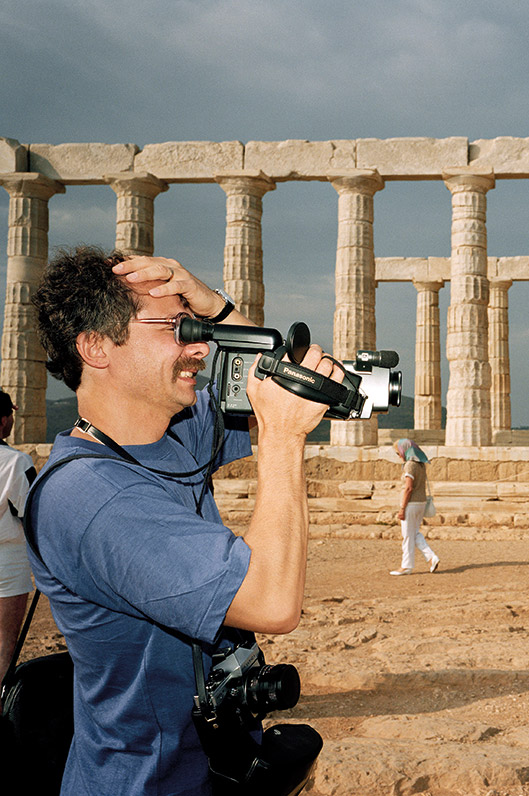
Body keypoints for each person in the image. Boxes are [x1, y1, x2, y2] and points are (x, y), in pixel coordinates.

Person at [26, 246, 343, 795]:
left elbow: (285, 378)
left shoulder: (172, 433)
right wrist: (283, 439)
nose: (199, 345)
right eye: (176, 326)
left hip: (209, 765)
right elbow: (271, 602)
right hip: (144, 781)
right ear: (96, 346)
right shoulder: (91, 497)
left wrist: (215, 305)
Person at [0, 391, 37, 679]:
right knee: (3, 644)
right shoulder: (16, 462)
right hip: (7, 562)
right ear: (3, 421)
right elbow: (32, 513)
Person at [392, 438, 440, 575]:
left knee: (407, 536)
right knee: (414, 534)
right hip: (421, 503)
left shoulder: (410, 465)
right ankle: (431, 558)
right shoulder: (421, 464)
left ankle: (406, 566)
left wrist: (402, 508)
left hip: (411, 504)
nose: (399, 456)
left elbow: (408, 488)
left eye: (398, 452)